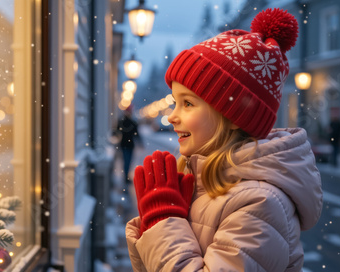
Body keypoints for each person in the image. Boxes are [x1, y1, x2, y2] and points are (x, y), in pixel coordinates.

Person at [126, 8, 323, 271]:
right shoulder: (200, 180)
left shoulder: (260, 203)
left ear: (233, 115)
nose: (172, 116)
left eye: (187, 103)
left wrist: (164, 220)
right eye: (175, 102)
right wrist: (158, 223)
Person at [117, 106, 140, 185]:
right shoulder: (133, 123)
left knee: (126, 161)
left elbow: (116, 132)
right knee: (128, 161)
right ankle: (126, 177)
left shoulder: (121, 122)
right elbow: (137, 134)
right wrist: (140, 142)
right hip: (129, 145)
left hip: (124, 144)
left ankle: (125, 176)